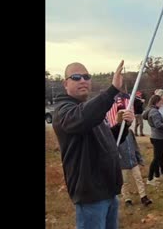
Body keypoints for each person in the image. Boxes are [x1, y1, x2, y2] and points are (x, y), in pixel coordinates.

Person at [52, 61, 134, 229]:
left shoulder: (89, 110)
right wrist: (112, 91)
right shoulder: (64, 111)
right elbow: (83, 118)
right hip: (91, 194)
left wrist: (122, 126)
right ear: (65, 83)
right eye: (76, 77)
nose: (83, 80)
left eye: (86, 77)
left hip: (108, 190)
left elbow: (108, 140)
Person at [142, 94, 163, 185]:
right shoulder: (154, 112)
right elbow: (158, 125)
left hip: (157, 137)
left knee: (158, 157)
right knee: (156, 158)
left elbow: (160, 122)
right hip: (158, 137)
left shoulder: (153, 111)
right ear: (156, 102)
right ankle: (150, 178)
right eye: (161, 101)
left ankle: (156, 176)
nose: (162, 102)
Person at [118, 127, 152, 207]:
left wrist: (139, 159)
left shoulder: (130, 132)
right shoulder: (117, 134)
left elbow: (135, 145)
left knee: (139, 178)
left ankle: (143, 196)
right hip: (122, 163)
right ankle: (127, 199)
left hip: (133, 161)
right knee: (124, 182)